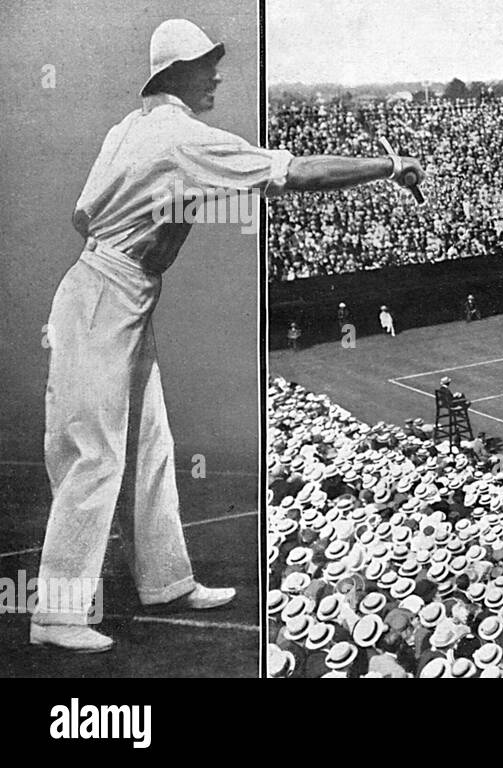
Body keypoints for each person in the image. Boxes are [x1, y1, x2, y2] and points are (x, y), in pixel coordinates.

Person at [31, 18, 424, 653]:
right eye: (206, 63)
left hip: (113, 289)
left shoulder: (129, 129)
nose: (216, 72)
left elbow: (84, 213)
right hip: (104, 297)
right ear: (175, 76)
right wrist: (389, 163)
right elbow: (295, 173)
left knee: (148, 445)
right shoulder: (179, 137)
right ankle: (55, 613)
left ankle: (164, 580)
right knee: (94, 453)